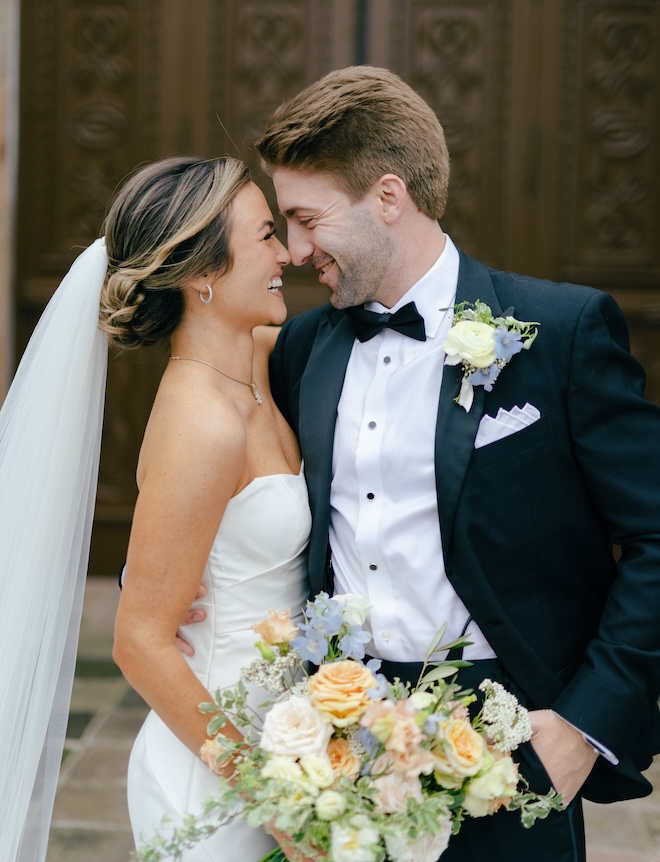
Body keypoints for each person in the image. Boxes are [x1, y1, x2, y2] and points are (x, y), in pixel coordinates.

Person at [250, 65, 660, 861]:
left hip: (509, 739)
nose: (295, 250)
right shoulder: (301, 348)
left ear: (389, 197)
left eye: (305, 218)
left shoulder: (561, 330)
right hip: (340, 738)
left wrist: (582, 725)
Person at [0, 155, 310, 862]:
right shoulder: (201, 422)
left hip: (285, 742)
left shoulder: (254, 359)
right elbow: (138, 641)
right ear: (201, 275)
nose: (286, 254)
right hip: (217, 779)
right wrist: (272, 799)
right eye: (266, 235)